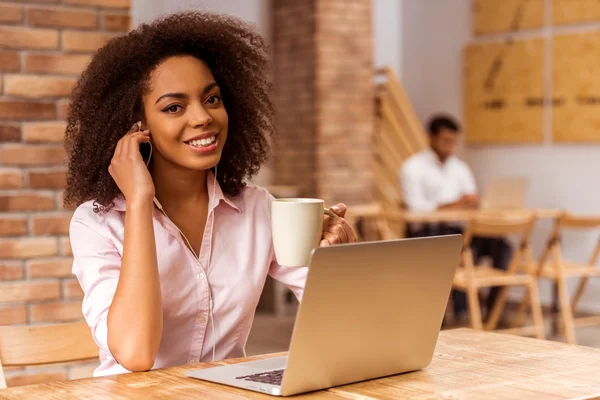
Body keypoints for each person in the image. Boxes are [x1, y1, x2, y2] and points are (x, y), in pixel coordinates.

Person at [65, 12, 358, 377]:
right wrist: (139, 203)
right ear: (136, 127)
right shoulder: (97, 222)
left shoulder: (257, 209)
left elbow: (346, 330)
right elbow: (136, 354)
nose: (203, 118)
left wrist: (342, 263)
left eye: (212, 99)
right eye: (174, 107)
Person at [399, 115, 511, 321]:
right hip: (427, 232)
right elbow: (415, 208)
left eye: (453, 141)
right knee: (452, 248)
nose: (450, 146)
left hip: (459, 231)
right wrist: (452, 205)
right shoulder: (412, 167)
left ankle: (492, 315)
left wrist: (472, 202)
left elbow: (470, 198)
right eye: (445, 141)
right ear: (430, 137)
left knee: (503, 247)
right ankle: (449, 314)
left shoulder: (460, 168)